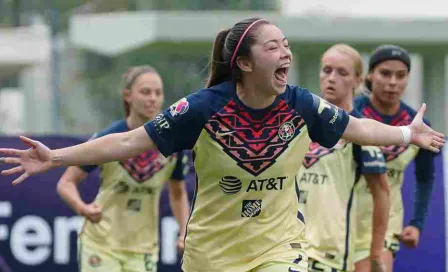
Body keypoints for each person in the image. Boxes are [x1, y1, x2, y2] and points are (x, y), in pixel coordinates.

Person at [0, 18, 443, 272]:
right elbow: (130, 141)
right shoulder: (201, 108)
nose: (287, 54)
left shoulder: (302, 105)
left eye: (287, 45)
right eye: (274, 47)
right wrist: (55, 156)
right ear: (245, 62)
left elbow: (360, 128)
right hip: (212, 254)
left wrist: (409, 133)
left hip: (279, 246)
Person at [57, 66, 190, 272]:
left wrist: (184, 231)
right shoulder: (108, 139)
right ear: (128, 96)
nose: (153, 98)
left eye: (158, 93)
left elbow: (178, 193)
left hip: (143, 250)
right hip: (101, 245)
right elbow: (66, 182)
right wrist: (82, 208)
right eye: (145, 92)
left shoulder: (172, 144)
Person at [297, 44, 390, 272]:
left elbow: (382, 193)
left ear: (358, 80)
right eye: (326, 70)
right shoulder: (299, 121)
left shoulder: (362, 132)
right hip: (288, 247)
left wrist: (376, 253)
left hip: (330, 254)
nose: (331, 78)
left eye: (342, 72)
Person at [353, 45, 439, 272]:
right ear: (370, 75)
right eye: (385, 73)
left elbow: (425, 178)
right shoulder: (350, 114)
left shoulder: (419, 125)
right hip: (343, 217)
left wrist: (417, 224)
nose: (392, 82)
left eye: (400, 76)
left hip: (386, 221)